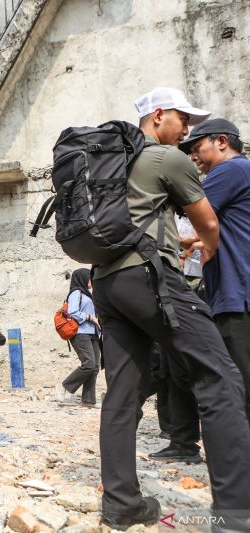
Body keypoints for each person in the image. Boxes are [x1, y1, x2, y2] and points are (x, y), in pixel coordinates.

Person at [92, 88, 250, 530]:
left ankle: (122, 504)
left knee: (123, 393)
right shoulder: (167, 158)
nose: (188, 130)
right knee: (220, 376)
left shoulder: (115, 161)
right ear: (158, 116)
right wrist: (210, 250)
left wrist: (173, 240)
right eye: (183, 119)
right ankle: (236, 517)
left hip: (107, 280)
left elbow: (136, 220)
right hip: (149, 279)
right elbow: (209, 222)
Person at [181, 118, 250, 418]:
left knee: (241, 381)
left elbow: (193, 222)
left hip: (238, 295)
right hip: (236, 291)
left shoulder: (229, 170)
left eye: (197, 148)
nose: (193, 157)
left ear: (222, 141)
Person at [55, 268, 100, 407]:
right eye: (89, 277)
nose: (91, 280)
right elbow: (72, 311)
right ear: (82, 278)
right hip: (80, 333)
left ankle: (88, 400)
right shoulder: (76, 293)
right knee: (89, 364)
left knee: (95, 366)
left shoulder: (89, 294)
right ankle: (64, 386)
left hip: (93, 333)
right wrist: (90, 317)